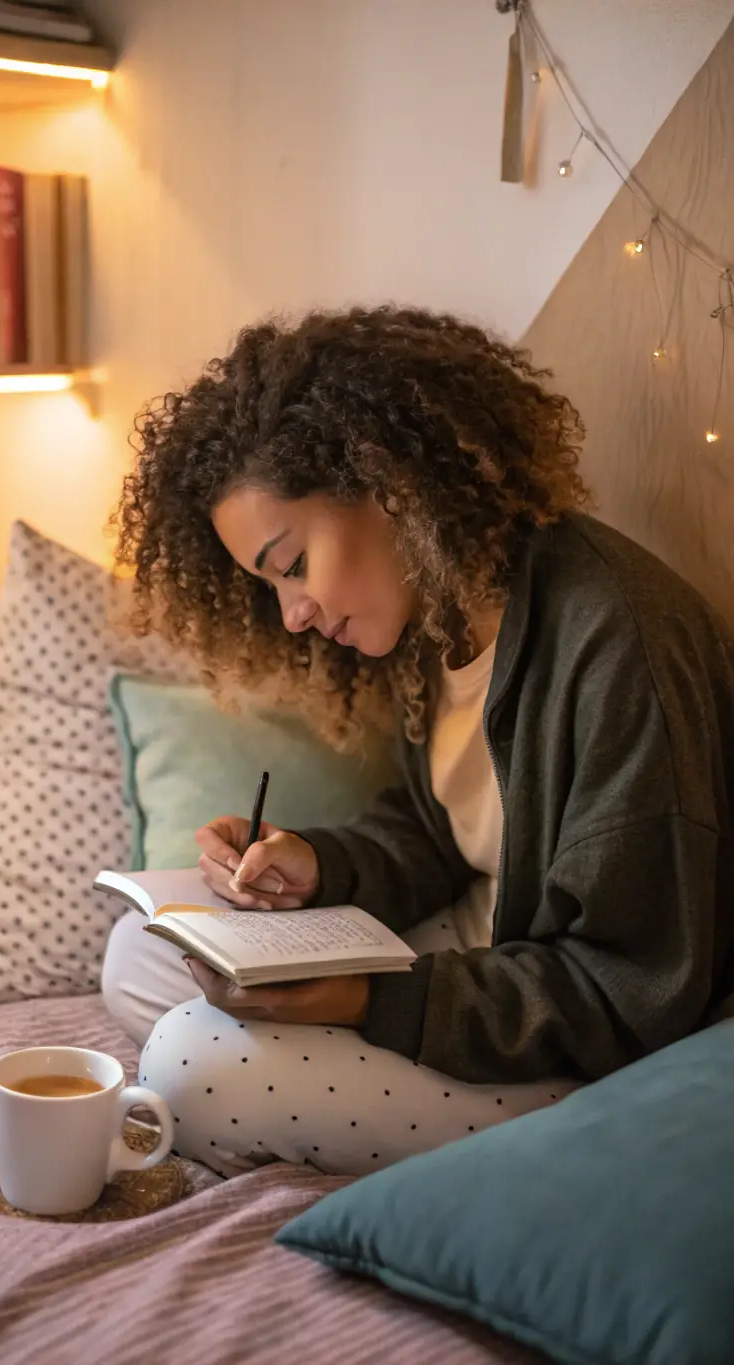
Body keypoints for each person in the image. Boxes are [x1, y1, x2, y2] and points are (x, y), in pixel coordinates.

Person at [100, 305, 734, 1177]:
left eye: (291, 566)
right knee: (141, 953)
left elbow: (632, 993)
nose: (293, 615)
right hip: (488, 963)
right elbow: (439, 835)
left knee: (190, 1068)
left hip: (594, 1056)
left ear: (390, 483)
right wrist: (317, 863)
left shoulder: (619, 644)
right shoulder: (437, 613)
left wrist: (368, 1000)